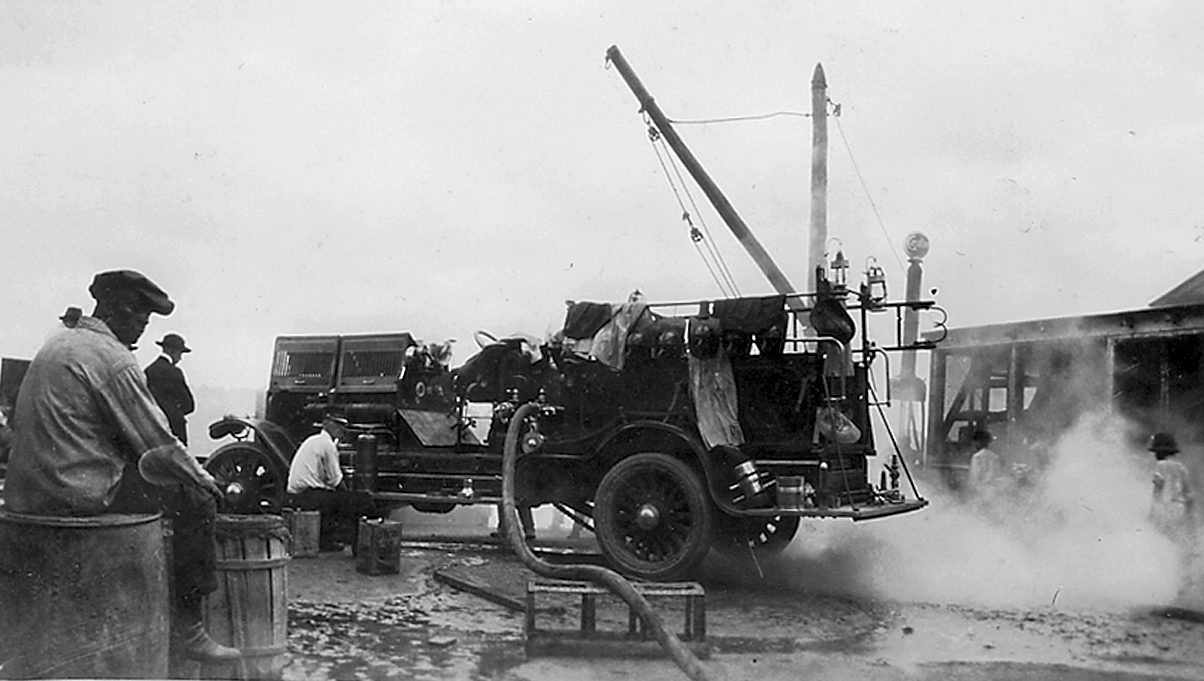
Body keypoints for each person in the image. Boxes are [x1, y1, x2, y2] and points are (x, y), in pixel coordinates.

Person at [3, 269, 239, 662]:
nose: (142, 329)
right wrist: (204, 479)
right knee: (195, 499)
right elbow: (159, 442)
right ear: (118, 309)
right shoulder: (114, 359)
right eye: (140, 319)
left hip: (27, 492)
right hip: (76, 495)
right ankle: (190, 629)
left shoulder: (58, 344)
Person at [287, 413, 380, 550]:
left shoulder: (314, 440)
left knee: (342, 499)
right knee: (362, 501)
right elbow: (336, 481)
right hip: (308, 495)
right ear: (326, 424)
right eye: (337, 424)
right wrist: (352, 496)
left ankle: (330, 540)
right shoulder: (327, 444)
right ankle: (359, 545)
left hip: (300, 494)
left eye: (343, 426)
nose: (341, 429)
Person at [145, 333, 196, 445]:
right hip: (174, 427)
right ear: (173, 351)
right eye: (180, 353)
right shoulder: (174, 372)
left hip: (153, 426)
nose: (180, 358)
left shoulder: (148, 370)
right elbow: (189, 405)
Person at [1148, 432, 1196, 544]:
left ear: (1159, 451)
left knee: (1163, 541)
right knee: (1179, 542)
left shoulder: (1160, 466)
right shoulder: (1182, 468)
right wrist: (1190, 518)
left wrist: (1152, 513)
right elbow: (1190, 497)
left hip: (1166, 509)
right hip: (1180, 509)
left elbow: (1158, 490)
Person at [967, 428, 1006, 499]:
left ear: (979, 442)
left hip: (980, 494)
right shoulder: (995, 457)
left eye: (975, 442)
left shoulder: (977, 457)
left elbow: (974, 478)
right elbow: (998, 475)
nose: (974, 444)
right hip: (993, 493)